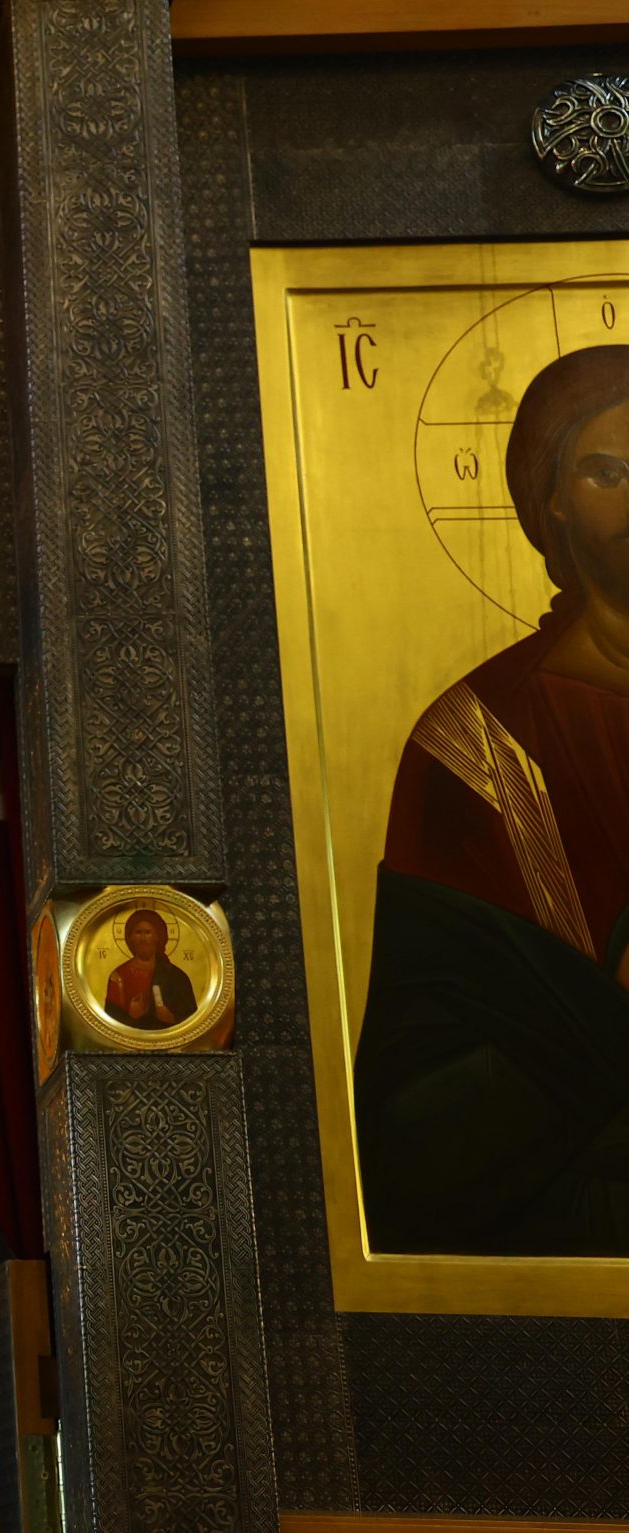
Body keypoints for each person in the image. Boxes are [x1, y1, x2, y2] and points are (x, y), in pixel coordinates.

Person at [355, 344, 629, 1257]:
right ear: (551, 500)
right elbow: (419, 1114)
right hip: (567, 1214)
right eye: (606, 474)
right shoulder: (474, 742)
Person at [99, 908, 196, 1030]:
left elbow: (193, 1020)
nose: (143, 939)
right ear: (130, 938)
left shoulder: (177, 976)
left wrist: (171, 1018)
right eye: (138, 932)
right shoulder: (118, 976)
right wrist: (131, 1016)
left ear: (158, 937)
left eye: (148, 932)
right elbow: (109, 1023)